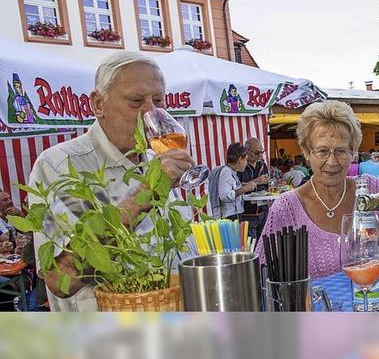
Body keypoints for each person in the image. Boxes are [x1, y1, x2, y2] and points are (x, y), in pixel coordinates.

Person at [28, 51, 197, 311]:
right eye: (136, 101)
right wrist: (147, 193)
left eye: (159, 101)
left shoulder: (156, 159)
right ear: (98, 104)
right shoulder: (59, 164)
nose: (150, 112)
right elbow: (61, 281)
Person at [256, 100, 379, 278]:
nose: (332, 162)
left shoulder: (370, 188)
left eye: (340, 151)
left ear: (353, 152)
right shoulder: (287, 208)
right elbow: (262, 270)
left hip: (374, 299)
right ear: (307, 153)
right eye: (322, 151)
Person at [210, 142, 257, 220]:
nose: (246, 163)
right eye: (245, 159)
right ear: (239, 159)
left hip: (232, 215)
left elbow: (229, 188)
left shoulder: (230, 171)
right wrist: (245, 189)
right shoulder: (226, 172)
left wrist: (241, 186)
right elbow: (225, 196)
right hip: (229, 216)